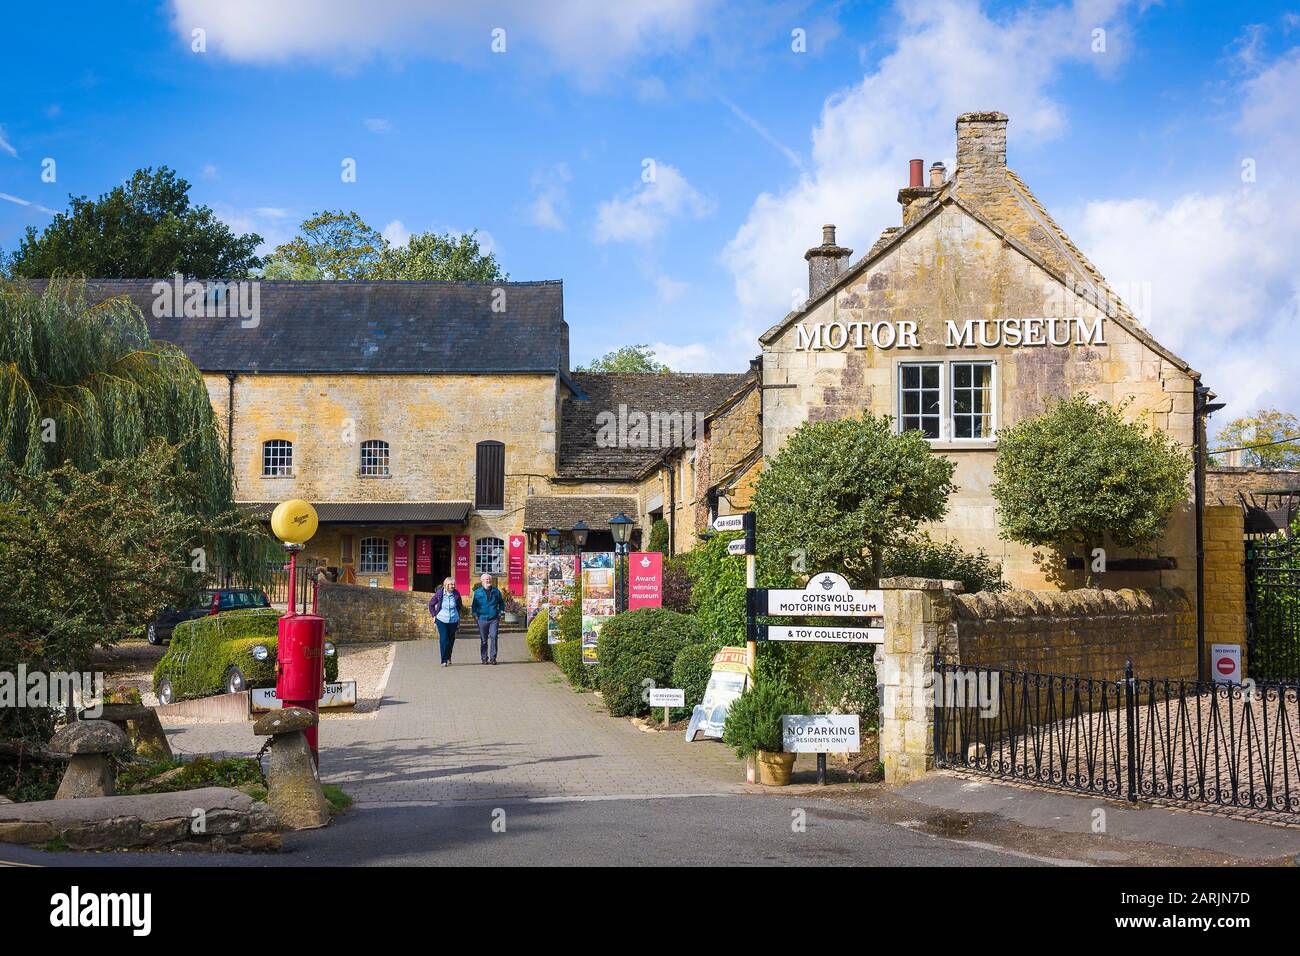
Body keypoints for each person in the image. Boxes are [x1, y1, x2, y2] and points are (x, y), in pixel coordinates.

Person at [429, 576, 463, 667]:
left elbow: (459, 606)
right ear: (446, 585)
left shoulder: (456, 594)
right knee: (444, 639)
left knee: (451, 639)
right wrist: (434, 615)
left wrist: (458, 616)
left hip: (453, 620)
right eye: (450, 584)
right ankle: (443, 660)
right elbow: (431, 604)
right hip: (441, 620)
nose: (452, 586)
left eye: (453, 584)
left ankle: (448, 656)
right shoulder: (439, 593)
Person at [471, 572, 505, 665]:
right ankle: (484, 658)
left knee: (494, 637)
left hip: (494, 619)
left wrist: (501, 612)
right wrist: (475, 615)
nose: (488, 581)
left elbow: (501, 603)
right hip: (482, 619)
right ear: (482, 581)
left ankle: (493, 658)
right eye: (486, 579)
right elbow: (474, 605)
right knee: (484, 639)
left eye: (489, 579)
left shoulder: (496, 591)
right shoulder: (477, 592)